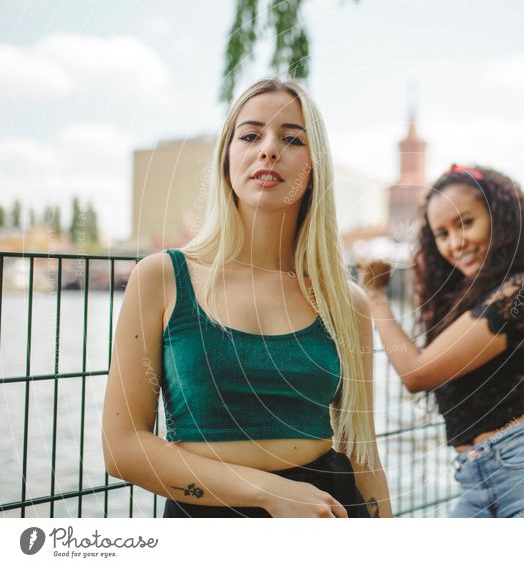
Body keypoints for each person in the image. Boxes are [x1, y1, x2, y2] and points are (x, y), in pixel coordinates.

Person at [103, 78, 391, 518]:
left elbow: (362, 452)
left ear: (314, 167)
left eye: (292, 138)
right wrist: (268, 491)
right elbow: (121, 449)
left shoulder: (345, 302)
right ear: (227, 158)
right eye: (251, 135)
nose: (269, 149)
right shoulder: (162, 278)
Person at [358, 164, 524, 518]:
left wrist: (374, 297)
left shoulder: (519, 292)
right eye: (442, 234)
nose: (454, 243)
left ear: (501, 220)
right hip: (477, 478)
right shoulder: (476, 300)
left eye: (466, 223)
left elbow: (416, 373)